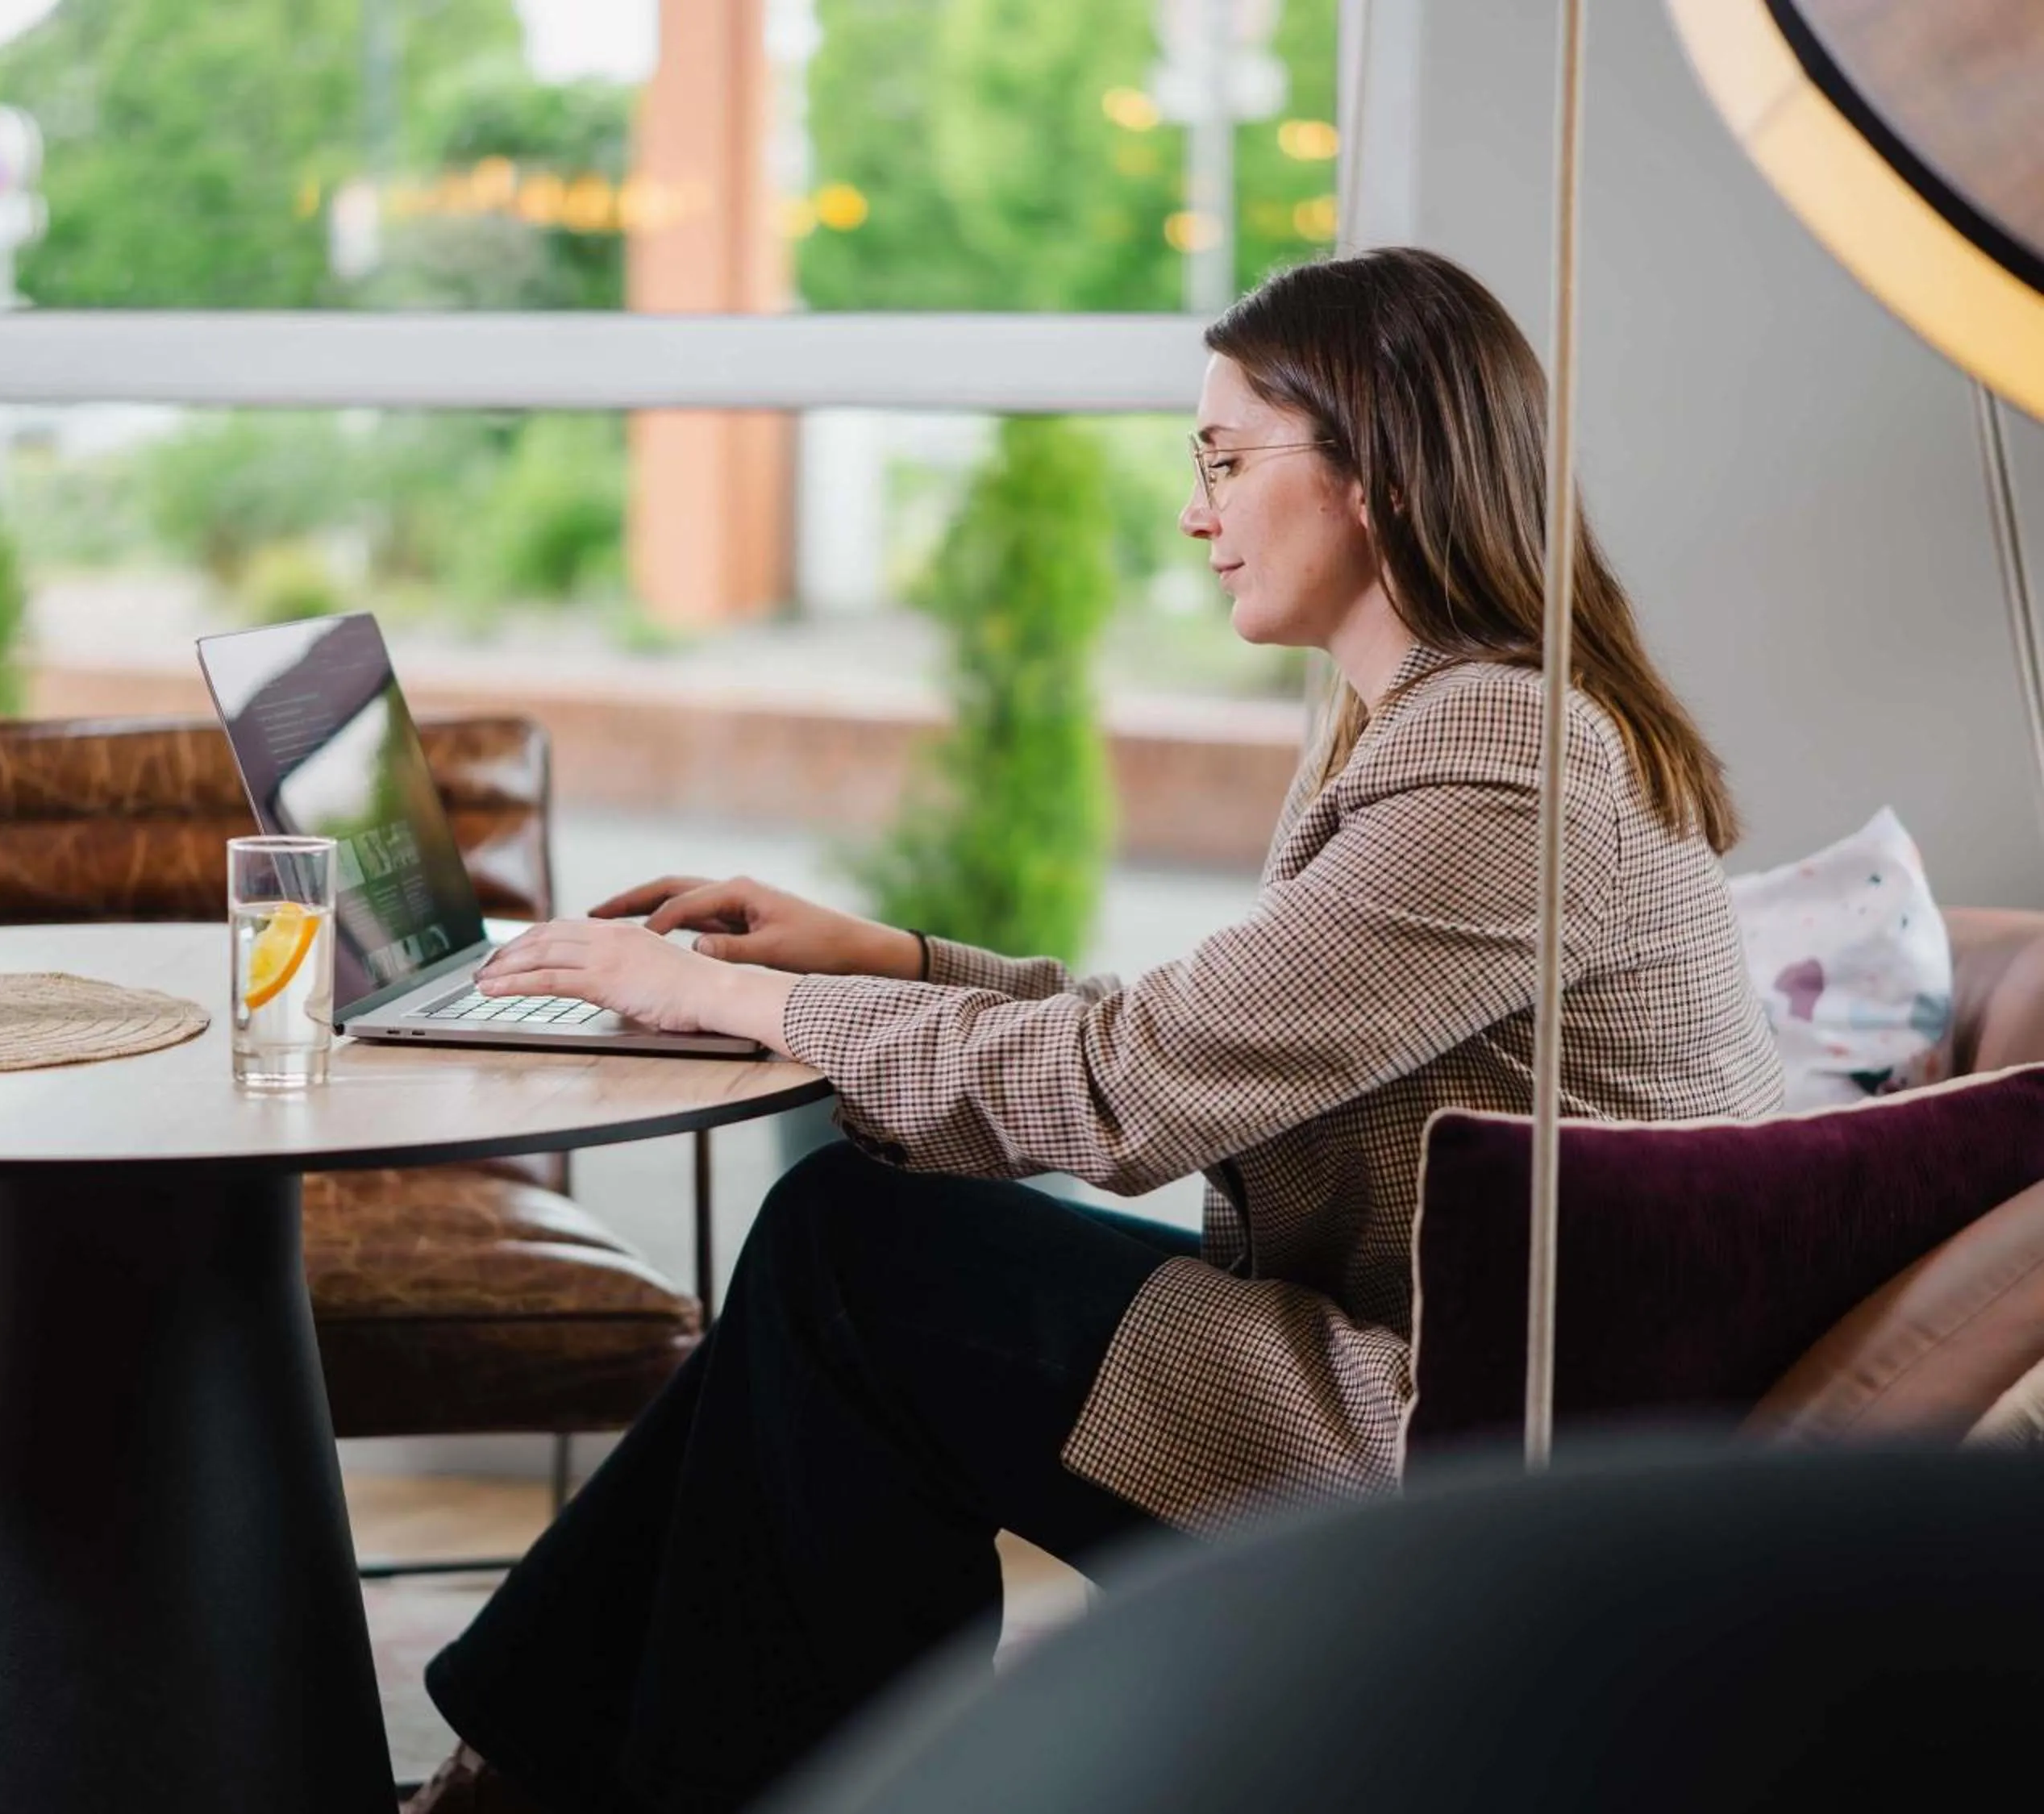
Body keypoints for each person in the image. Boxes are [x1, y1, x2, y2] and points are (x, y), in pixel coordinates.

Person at [403, 246, 1786, 1814]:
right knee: (849, 1261)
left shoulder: (1497, 758)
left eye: (1225, 458)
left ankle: (552, 1778)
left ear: (1379, 474)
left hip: (1459, 1451)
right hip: (1450, 1386)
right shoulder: (1469, 714)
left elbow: (1123, 1094)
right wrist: (891, 955)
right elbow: (1190, 1037)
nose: (1195, 513)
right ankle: (543, 1775)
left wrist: (722, 993)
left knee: (856, 1255)